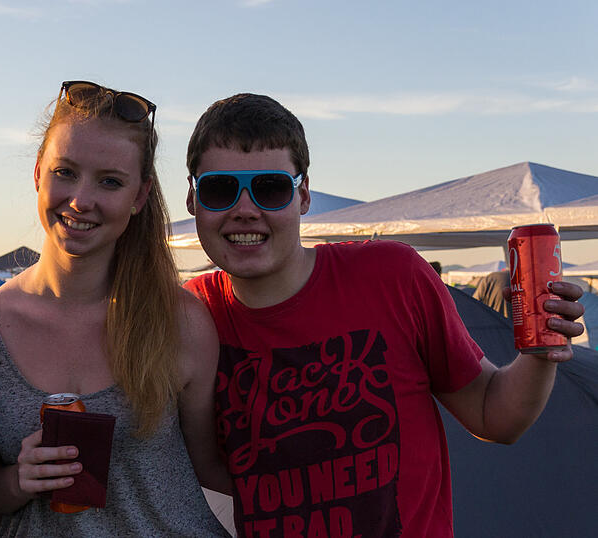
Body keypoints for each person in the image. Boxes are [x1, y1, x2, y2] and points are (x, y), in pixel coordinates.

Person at [181, 94, 586, 538]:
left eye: (270, 188)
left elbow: (495, 417)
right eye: (220, 189)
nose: (245, 209)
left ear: (303, 196)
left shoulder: (392, 275)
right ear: (191, 198)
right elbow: (204, 469)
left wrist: (541, 350)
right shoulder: (189, 315)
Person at [0, 80, 231, 536]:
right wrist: (18, 480)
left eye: (111, 181)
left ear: (139, 196)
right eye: (65, 172)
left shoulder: (181, 321)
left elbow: (211, 469)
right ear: (38, 172)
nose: (81, 200)